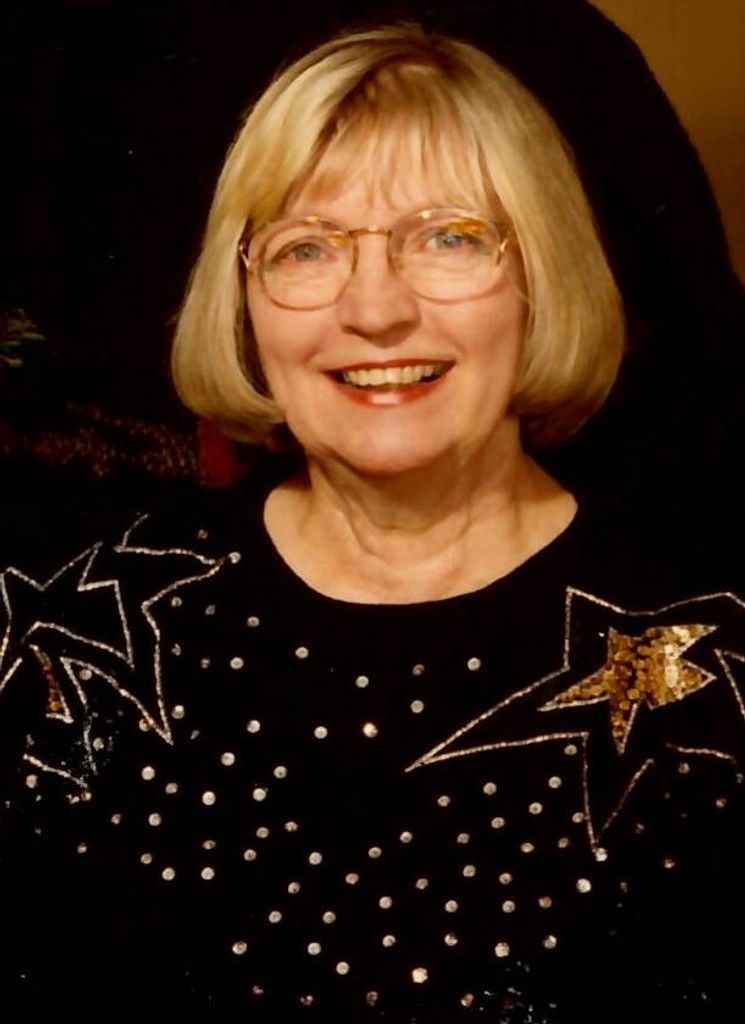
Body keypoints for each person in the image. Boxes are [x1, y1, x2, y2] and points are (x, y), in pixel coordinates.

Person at [1, 8, 744, 1023]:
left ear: (543, 277)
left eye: (449, 238)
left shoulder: (717, 672)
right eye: (307, 249)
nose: (375, 309)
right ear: (244, 300)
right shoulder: (78, 635)